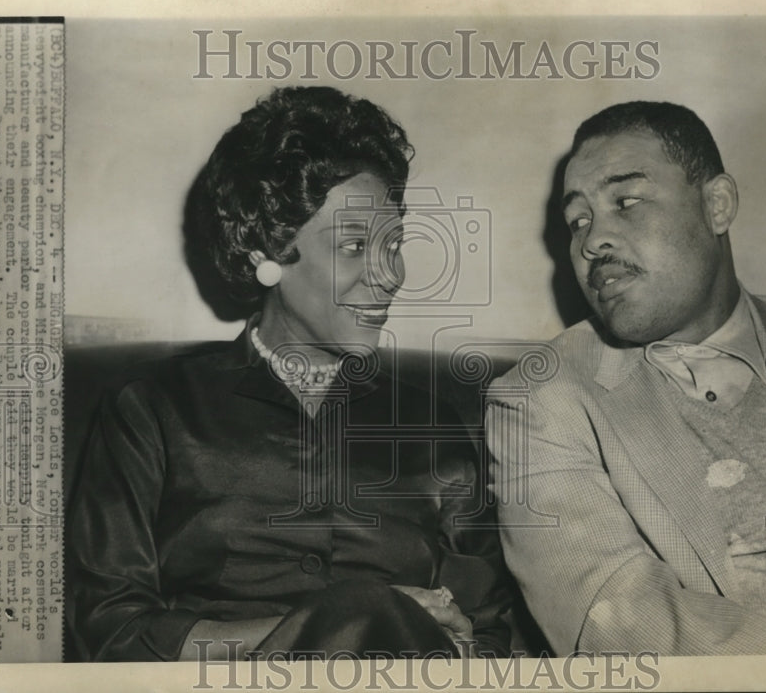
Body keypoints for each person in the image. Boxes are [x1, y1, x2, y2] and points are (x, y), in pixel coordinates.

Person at [67, 86, 511, 661]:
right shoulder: (152, 410)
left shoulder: (433, 426)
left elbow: (491, 631)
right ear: (265, 253)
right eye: (354, 245)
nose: (391, 275)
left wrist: (447, 639)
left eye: (394, 245)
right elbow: (110, 632)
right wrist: (350, 618)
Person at [486, 101, 766, 655]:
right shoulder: (542, 398)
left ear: (717, 205)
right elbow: (609, 612)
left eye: (627, 202)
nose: (593, 241)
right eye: (578, 221)